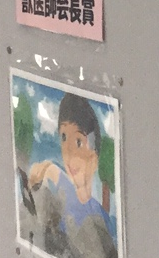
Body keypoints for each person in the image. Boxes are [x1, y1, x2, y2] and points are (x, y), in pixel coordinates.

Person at [27, 93, 115, 242]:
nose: (68, 152)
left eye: (78, 142)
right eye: (63, 138)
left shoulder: (102, 220)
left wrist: (53, 172)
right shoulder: (57, 202)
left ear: (94, 157)